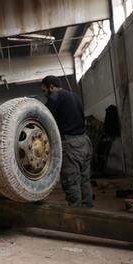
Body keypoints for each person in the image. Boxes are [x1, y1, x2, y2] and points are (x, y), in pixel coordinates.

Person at [40, 76, 93, 207]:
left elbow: (43, 115)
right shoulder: (74, 96)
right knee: (84, 179)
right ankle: (88, 211)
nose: (45, 94)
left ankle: (77, 218)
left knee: (71, 182)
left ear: (51, 87)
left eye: (44, 91)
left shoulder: (56, 96)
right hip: (85, 141)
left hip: (71, 145)